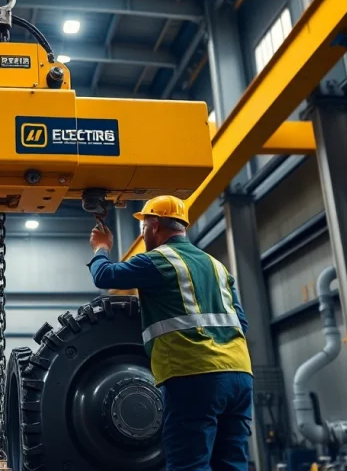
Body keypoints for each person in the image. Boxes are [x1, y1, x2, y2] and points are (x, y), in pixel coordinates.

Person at [87, 196, 254, 471]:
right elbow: (241, 322)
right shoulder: (217, 266)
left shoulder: (158, 261)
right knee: (232, 463)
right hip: (240, 375)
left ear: (153, 226)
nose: (143, 233)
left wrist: (101, 248)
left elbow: (105, 276)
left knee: (189, 464)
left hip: (193, 376)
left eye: (143, 226)